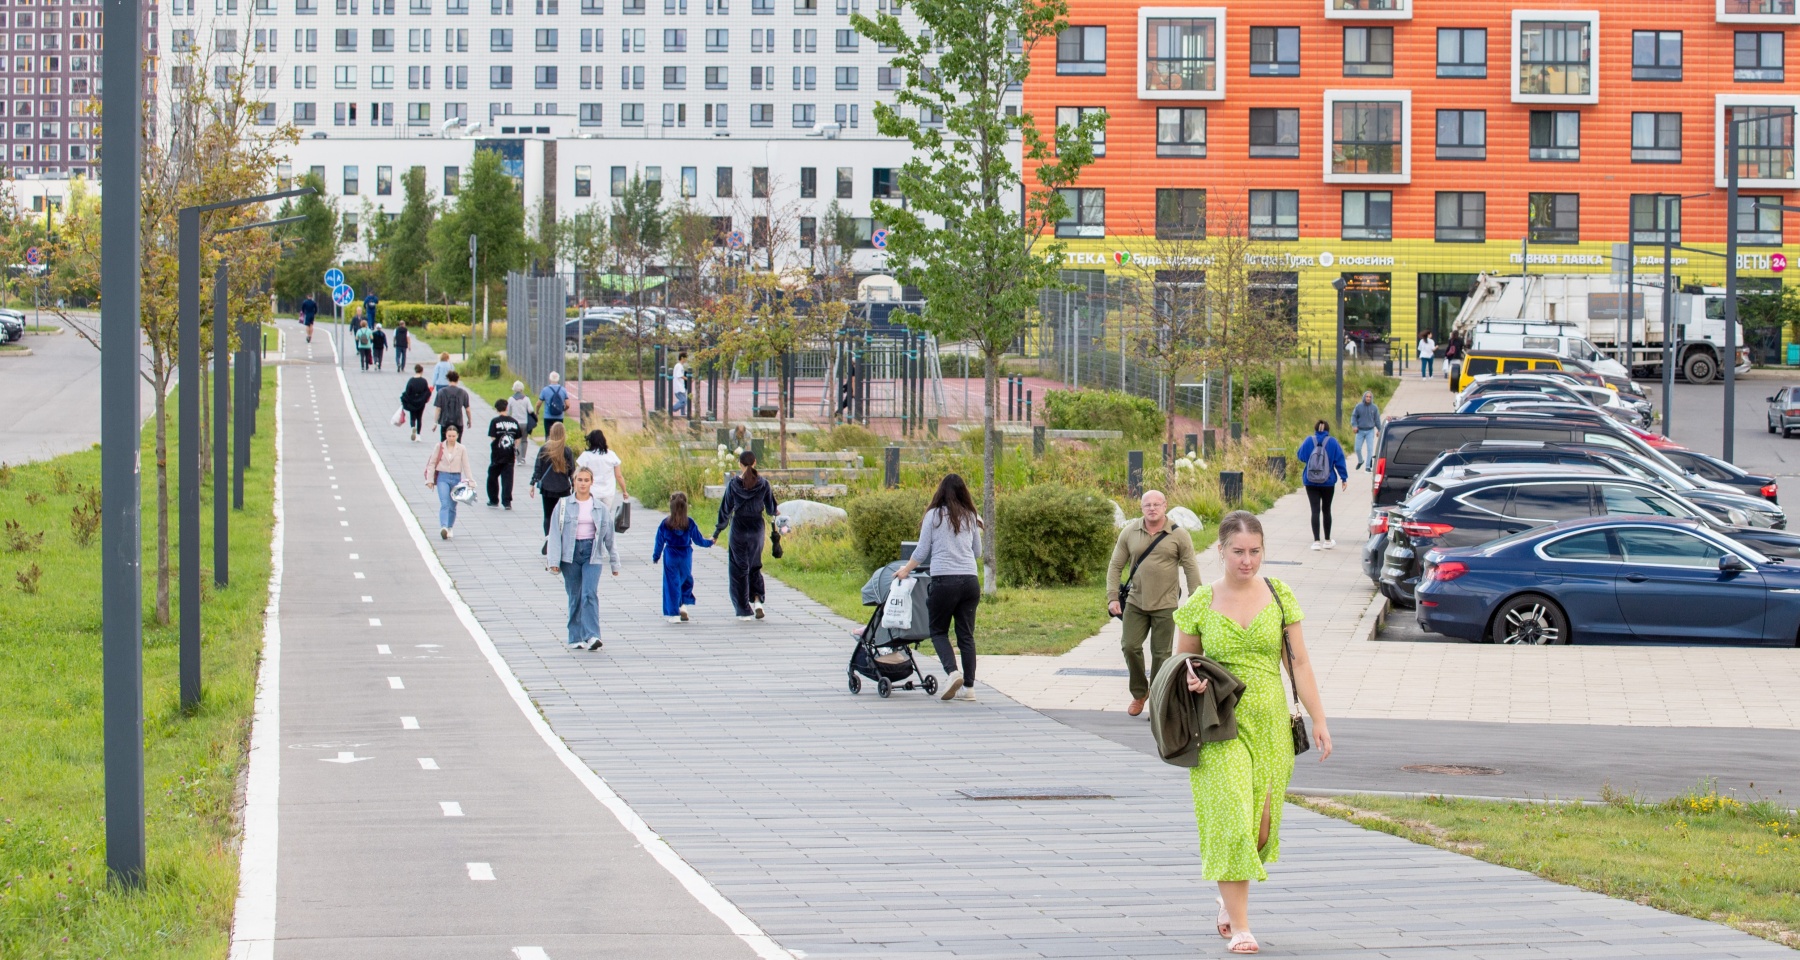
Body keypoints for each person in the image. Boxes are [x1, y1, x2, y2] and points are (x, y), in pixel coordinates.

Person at [1171, 510, 1332, 955]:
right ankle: (1242, 926)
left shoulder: (1279, 595)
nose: (1247, 560)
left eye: (1255, 551)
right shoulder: (1201, 602)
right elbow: (1180, 663)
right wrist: (1192, 678)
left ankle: (1228, 899)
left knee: (1260, 830)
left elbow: (1298, 663)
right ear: (1220, 550)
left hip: (1271, 725)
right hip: (1219, 725)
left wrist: (1319, 720)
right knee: (1231, 819)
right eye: (1238, 552)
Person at [1106, 489, 1202, 717]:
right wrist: (1112, 597)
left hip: (1166, 604)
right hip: (1135, 602)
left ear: (1165, 506)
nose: (1152, 508)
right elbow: (1115, 565)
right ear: (1141, 508)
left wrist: (1196, 599)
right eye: (1147, 505)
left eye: (1156, 504)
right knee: (1129, 646)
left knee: (1161, 655)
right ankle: (1140, 692)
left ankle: (1157, 701)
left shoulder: (1179, 535)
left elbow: (1190, 568)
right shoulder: (1130, 532)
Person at [892, 474, 984, 702]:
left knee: (938, 630)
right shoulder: (971, 516)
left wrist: (905, 569)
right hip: (970, 582)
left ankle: (953, 673)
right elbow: (978, 553)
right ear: (964, 493)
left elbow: (922, 551)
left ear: (940, 492)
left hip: (944, 581)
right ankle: (969, 689)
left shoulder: (933, 516)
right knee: (966, 635)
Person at [545, 466, 617, 652]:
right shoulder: (563, 505)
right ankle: (575, 636)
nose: (583, 483)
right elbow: (554, 534)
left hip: (592, 553)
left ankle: (592, 636)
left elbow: (609, 536)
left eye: (586, 480)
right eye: (579, 480)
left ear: (591, 483)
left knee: (589, 594)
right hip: (570, 554)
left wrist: (614, 562)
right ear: (574, 481)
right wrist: (553, 562)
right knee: (575, 595)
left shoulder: (600, 508)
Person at [711, 450, 779, 621]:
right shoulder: (763, 484)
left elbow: (725, 510)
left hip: (739, 528)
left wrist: (717, 532)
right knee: (755, 565)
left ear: (739, 464)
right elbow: (772, 509)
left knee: (738, 569)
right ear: (755, 463)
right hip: (757, 528)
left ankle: (743, 610)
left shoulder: (733, 484)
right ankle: (757, 601)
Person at [652, 491, 714, 622]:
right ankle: (683, 605)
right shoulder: (689, 522)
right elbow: (698, 540)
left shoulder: (665, 523)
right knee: (685, 579)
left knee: (671, 583)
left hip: (671, 555)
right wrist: (710, 542)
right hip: (686, 555)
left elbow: (659, 542)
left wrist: (656, 556)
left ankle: (674, 614)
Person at [1296, 420, 1350, 550]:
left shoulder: (1309, 440)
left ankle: (1316, 541)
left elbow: (1301, 456)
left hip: (1310, 481)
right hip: (1328, 482)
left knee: (1315, 510)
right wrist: (1344, 478)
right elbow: (1340, 460)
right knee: (1326, 510)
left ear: (1315, 429)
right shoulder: (1332, 442)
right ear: (1327, 430)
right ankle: (1327, 540)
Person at [531, 422, 577, 542]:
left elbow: (538, 468)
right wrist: (574, 486)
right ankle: (561, 539)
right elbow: (572, 471)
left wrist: (532, 483)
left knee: (548, 515)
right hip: (563, 488)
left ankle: (548, 539)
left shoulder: (544, 449)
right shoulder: (566, 451)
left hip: (547, 488)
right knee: (563, 516)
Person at [424, 423, 470, 540]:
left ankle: (450, 526)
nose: (451, 438)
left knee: (452, 505)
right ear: (446, 435)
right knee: (444, 503)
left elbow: (466, 466)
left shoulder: (461, 448)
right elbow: (432, 463)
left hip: (456, 478)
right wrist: (429, 480)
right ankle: (443, 527)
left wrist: (470, 481)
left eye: (453, 436)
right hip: (442, 477)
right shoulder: (439, 447)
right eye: (449, 436)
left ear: (457, 436)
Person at [577, 429, 629, 523]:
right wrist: (624, 491)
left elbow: (578, 475)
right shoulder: (611, 455)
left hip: (592, 491)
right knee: (606, 517)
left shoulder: (586, 456)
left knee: (592, 516)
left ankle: (594, 535)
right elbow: (618, 476)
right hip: (608, 492)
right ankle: (604, 535)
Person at [487, 398, 523, 509]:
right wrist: (514, 447)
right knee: (508, 479)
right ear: (506, 408)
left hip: (497, 454)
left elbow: (493, 437)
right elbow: (518, 438)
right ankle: (507, 502)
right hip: (509, 455)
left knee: (492, 477)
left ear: (496, 409)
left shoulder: (495, 421)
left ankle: (494, 499)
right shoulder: (514, 422)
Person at [431, 370, 472, 441]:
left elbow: (438, 408)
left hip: (445, 421)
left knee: (444, 443)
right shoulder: (463, 392)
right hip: (458, 421)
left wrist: (435, 423)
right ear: (458, 379)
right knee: (458, 444)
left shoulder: (441, 392)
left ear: (448, 379)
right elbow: (467, 409)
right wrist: (469, 420)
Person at [1349, 391, 1381, 471]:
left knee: (1370, 449)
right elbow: (1354, 417)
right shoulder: (1358, 407)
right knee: (1357, 448)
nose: (1368, 398)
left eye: (1370, 397)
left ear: (1371, 398)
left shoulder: (1374, 408)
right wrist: (1354, 426)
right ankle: (1360, 461)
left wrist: (1379, 429)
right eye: (1367, 396)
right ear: (1364, 397)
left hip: (1370, 431)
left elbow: (1377, 420)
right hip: (1360, 431)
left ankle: (1367, 467)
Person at [400, 364, 432, 442]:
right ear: (422, 371)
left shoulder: (411, 381)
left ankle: (412, 427)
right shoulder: (424, 381)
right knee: (419, 418)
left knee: (412, 417)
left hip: (412, 402)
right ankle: (418, 435)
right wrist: (423, 399)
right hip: (421, 402)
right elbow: (427, 392)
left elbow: (407, 392)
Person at [507, 380, 536, 459]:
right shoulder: (526, 399)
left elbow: (508, 412)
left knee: (516, 439)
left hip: (514, 423)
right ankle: (523, 457)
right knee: (524, 440)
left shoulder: (511, 399)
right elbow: (531, 410)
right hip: (524, 422)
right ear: (522, 389)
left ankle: (518, 458)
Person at [537, 372, 569, 438]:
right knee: (558, 436)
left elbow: (539, 403)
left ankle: (548, 448)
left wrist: (537, 411)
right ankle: (558, 447)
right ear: (558, 379)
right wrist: (562, 410)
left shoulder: (545, 390)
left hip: (548, 416)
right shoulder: (563, 390)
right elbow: (568, 404)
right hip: (559, 417)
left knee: (548, 435)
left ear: (550, 379)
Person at [670, 351, 689, 417]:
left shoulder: (679, 366)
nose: (686, 360)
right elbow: (679, 375)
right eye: (685, 358)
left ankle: (683, 413)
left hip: (681, 387)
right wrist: (687, 378)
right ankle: (672, 409)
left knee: (684, 400)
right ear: (682, 358)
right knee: (683, 401)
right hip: (679, 388)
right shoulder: (679, 366)